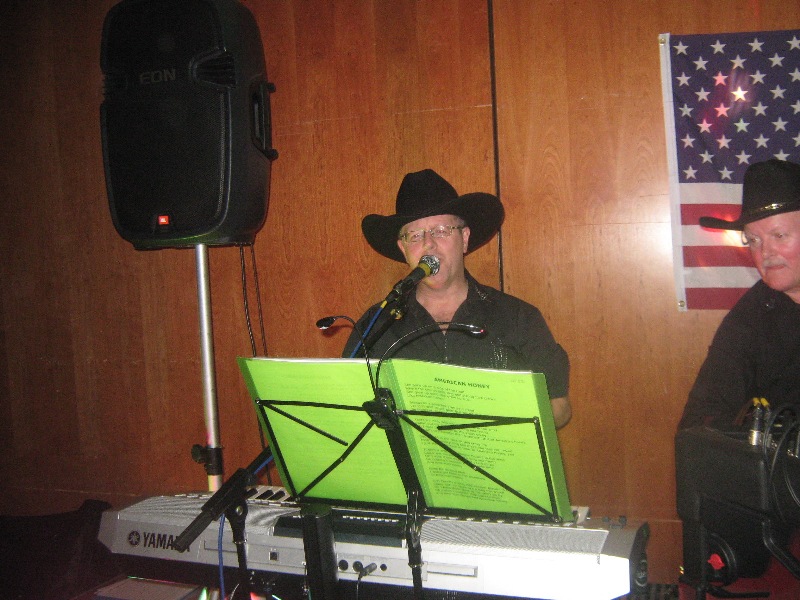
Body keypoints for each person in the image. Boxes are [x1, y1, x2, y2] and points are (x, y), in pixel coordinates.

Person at [342, 168, 571, 428]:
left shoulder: (519, 317)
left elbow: (559, 406)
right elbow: (348, 407)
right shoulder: (375, 325)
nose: (428, 244)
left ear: (464, 238)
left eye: (441, 230)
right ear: (403, 249)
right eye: (415, 236)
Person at [678, 159, 800, 430]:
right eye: (753, 240)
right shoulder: (749, 319)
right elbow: (701, 420)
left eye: (779, 235)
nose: (765, 252)